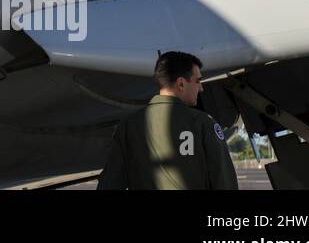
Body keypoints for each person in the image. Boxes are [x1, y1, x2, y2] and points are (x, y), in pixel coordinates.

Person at [97, 50, 238, 190]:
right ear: (181, 83)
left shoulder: (128, 126)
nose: (201, 88)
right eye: (198, 81)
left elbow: (109, 184)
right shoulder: (203, 123)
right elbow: (224, 182)